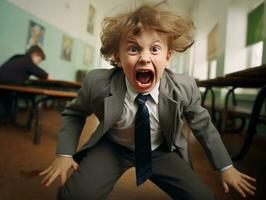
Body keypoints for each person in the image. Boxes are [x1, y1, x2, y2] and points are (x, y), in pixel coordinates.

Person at [40, 3, 256, 200]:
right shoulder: (98, 83)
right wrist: (64, 154)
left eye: (154, 49)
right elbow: (74, 113)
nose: (144, 57)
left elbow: (204, 127)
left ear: (168, 56)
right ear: (118, 56)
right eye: (133, 49)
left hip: (159, 151)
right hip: (113, 147)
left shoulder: (184, 87)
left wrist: (225, 166)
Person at [0, 45, 49, 121]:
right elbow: (43, 74)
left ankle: (7, 116)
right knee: (31, 93)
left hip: (3, 83)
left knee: (8, 96)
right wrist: (49, 76)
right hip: (7, 84)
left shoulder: (17, 57)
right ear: (34, 55)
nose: (38, 63)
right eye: (39, 60)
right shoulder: (27, 61)